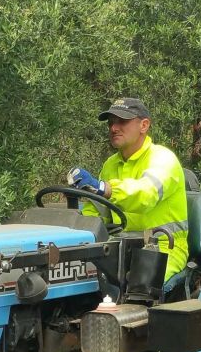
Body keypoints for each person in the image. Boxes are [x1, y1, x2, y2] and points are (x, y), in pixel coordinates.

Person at [68, 97, 189, 283]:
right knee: (81, 276)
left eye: (122, 121)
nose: (114, 128)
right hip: (119, 248)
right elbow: (100, 211)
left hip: (162, 248)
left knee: (140, 286)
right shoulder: (111, 164)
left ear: (144, 125)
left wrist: (104, 188)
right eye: (111, 123)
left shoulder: (163, 159)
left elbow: (146, 195)